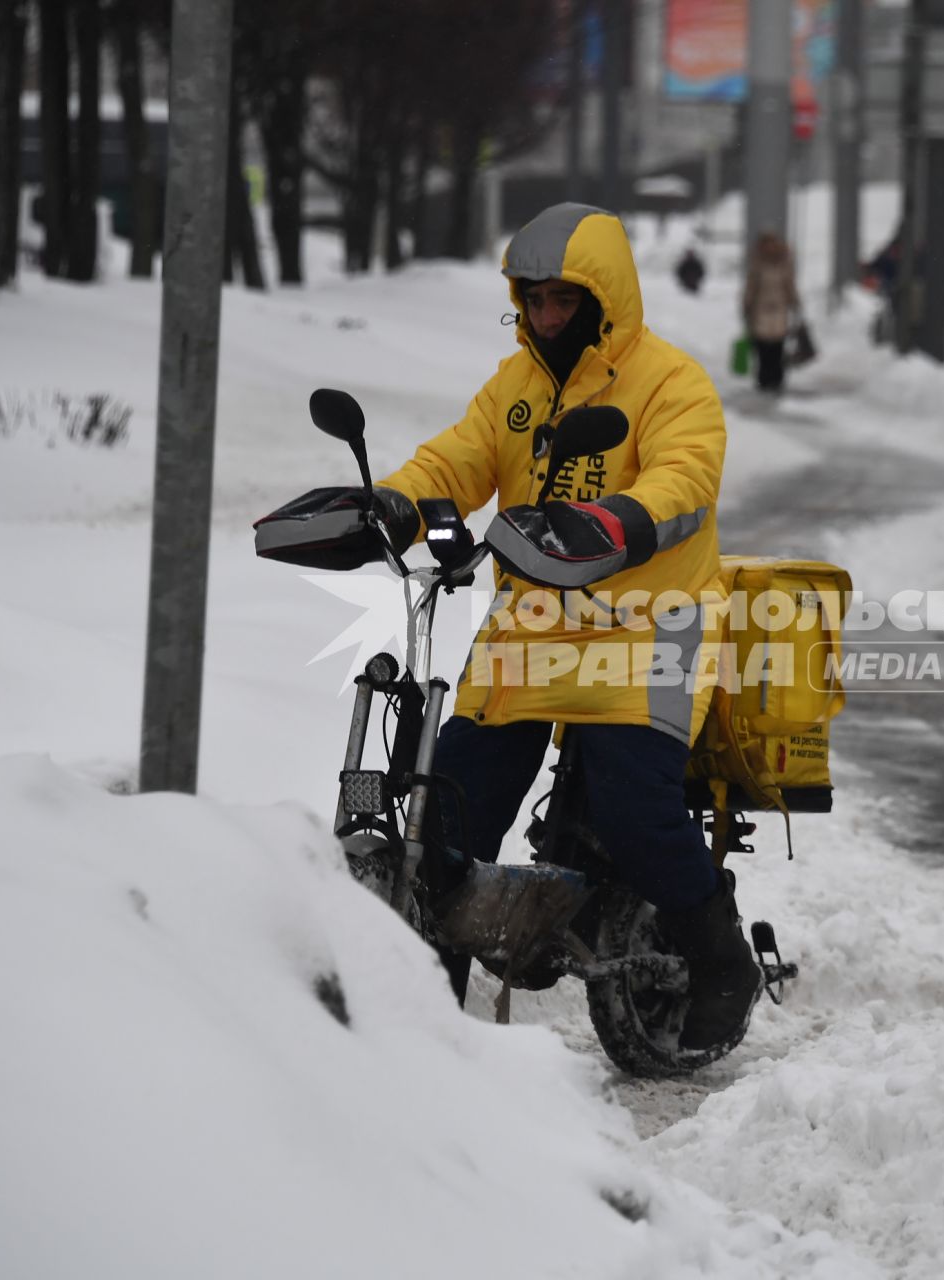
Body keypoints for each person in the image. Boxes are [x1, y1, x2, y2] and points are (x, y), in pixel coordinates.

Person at [360, 202, 761, 1049]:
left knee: (634, 811)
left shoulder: (670, 382)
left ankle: (721, 958)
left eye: (563, 301)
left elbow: (686, 480)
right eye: (533, 300)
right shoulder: (516, 389)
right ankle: (421, 1011)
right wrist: (395, 499)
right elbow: (456, 458)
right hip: (534, 622)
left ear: (603, 300)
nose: (546, 318)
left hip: (650, 626)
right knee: (444, 808)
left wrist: (614, 520)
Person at [742, 231, 799, 393]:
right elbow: (751, 287)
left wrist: (795, 302)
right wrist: (746, 305)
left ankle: (776, 379)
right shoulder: (758, 264)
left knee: (777, 347)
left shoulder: (784, 263)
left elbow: (789, 285)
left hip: (779, 311)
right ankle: (764, 379)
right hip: (760, 311)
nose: (770, 248)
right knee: (762, 347)